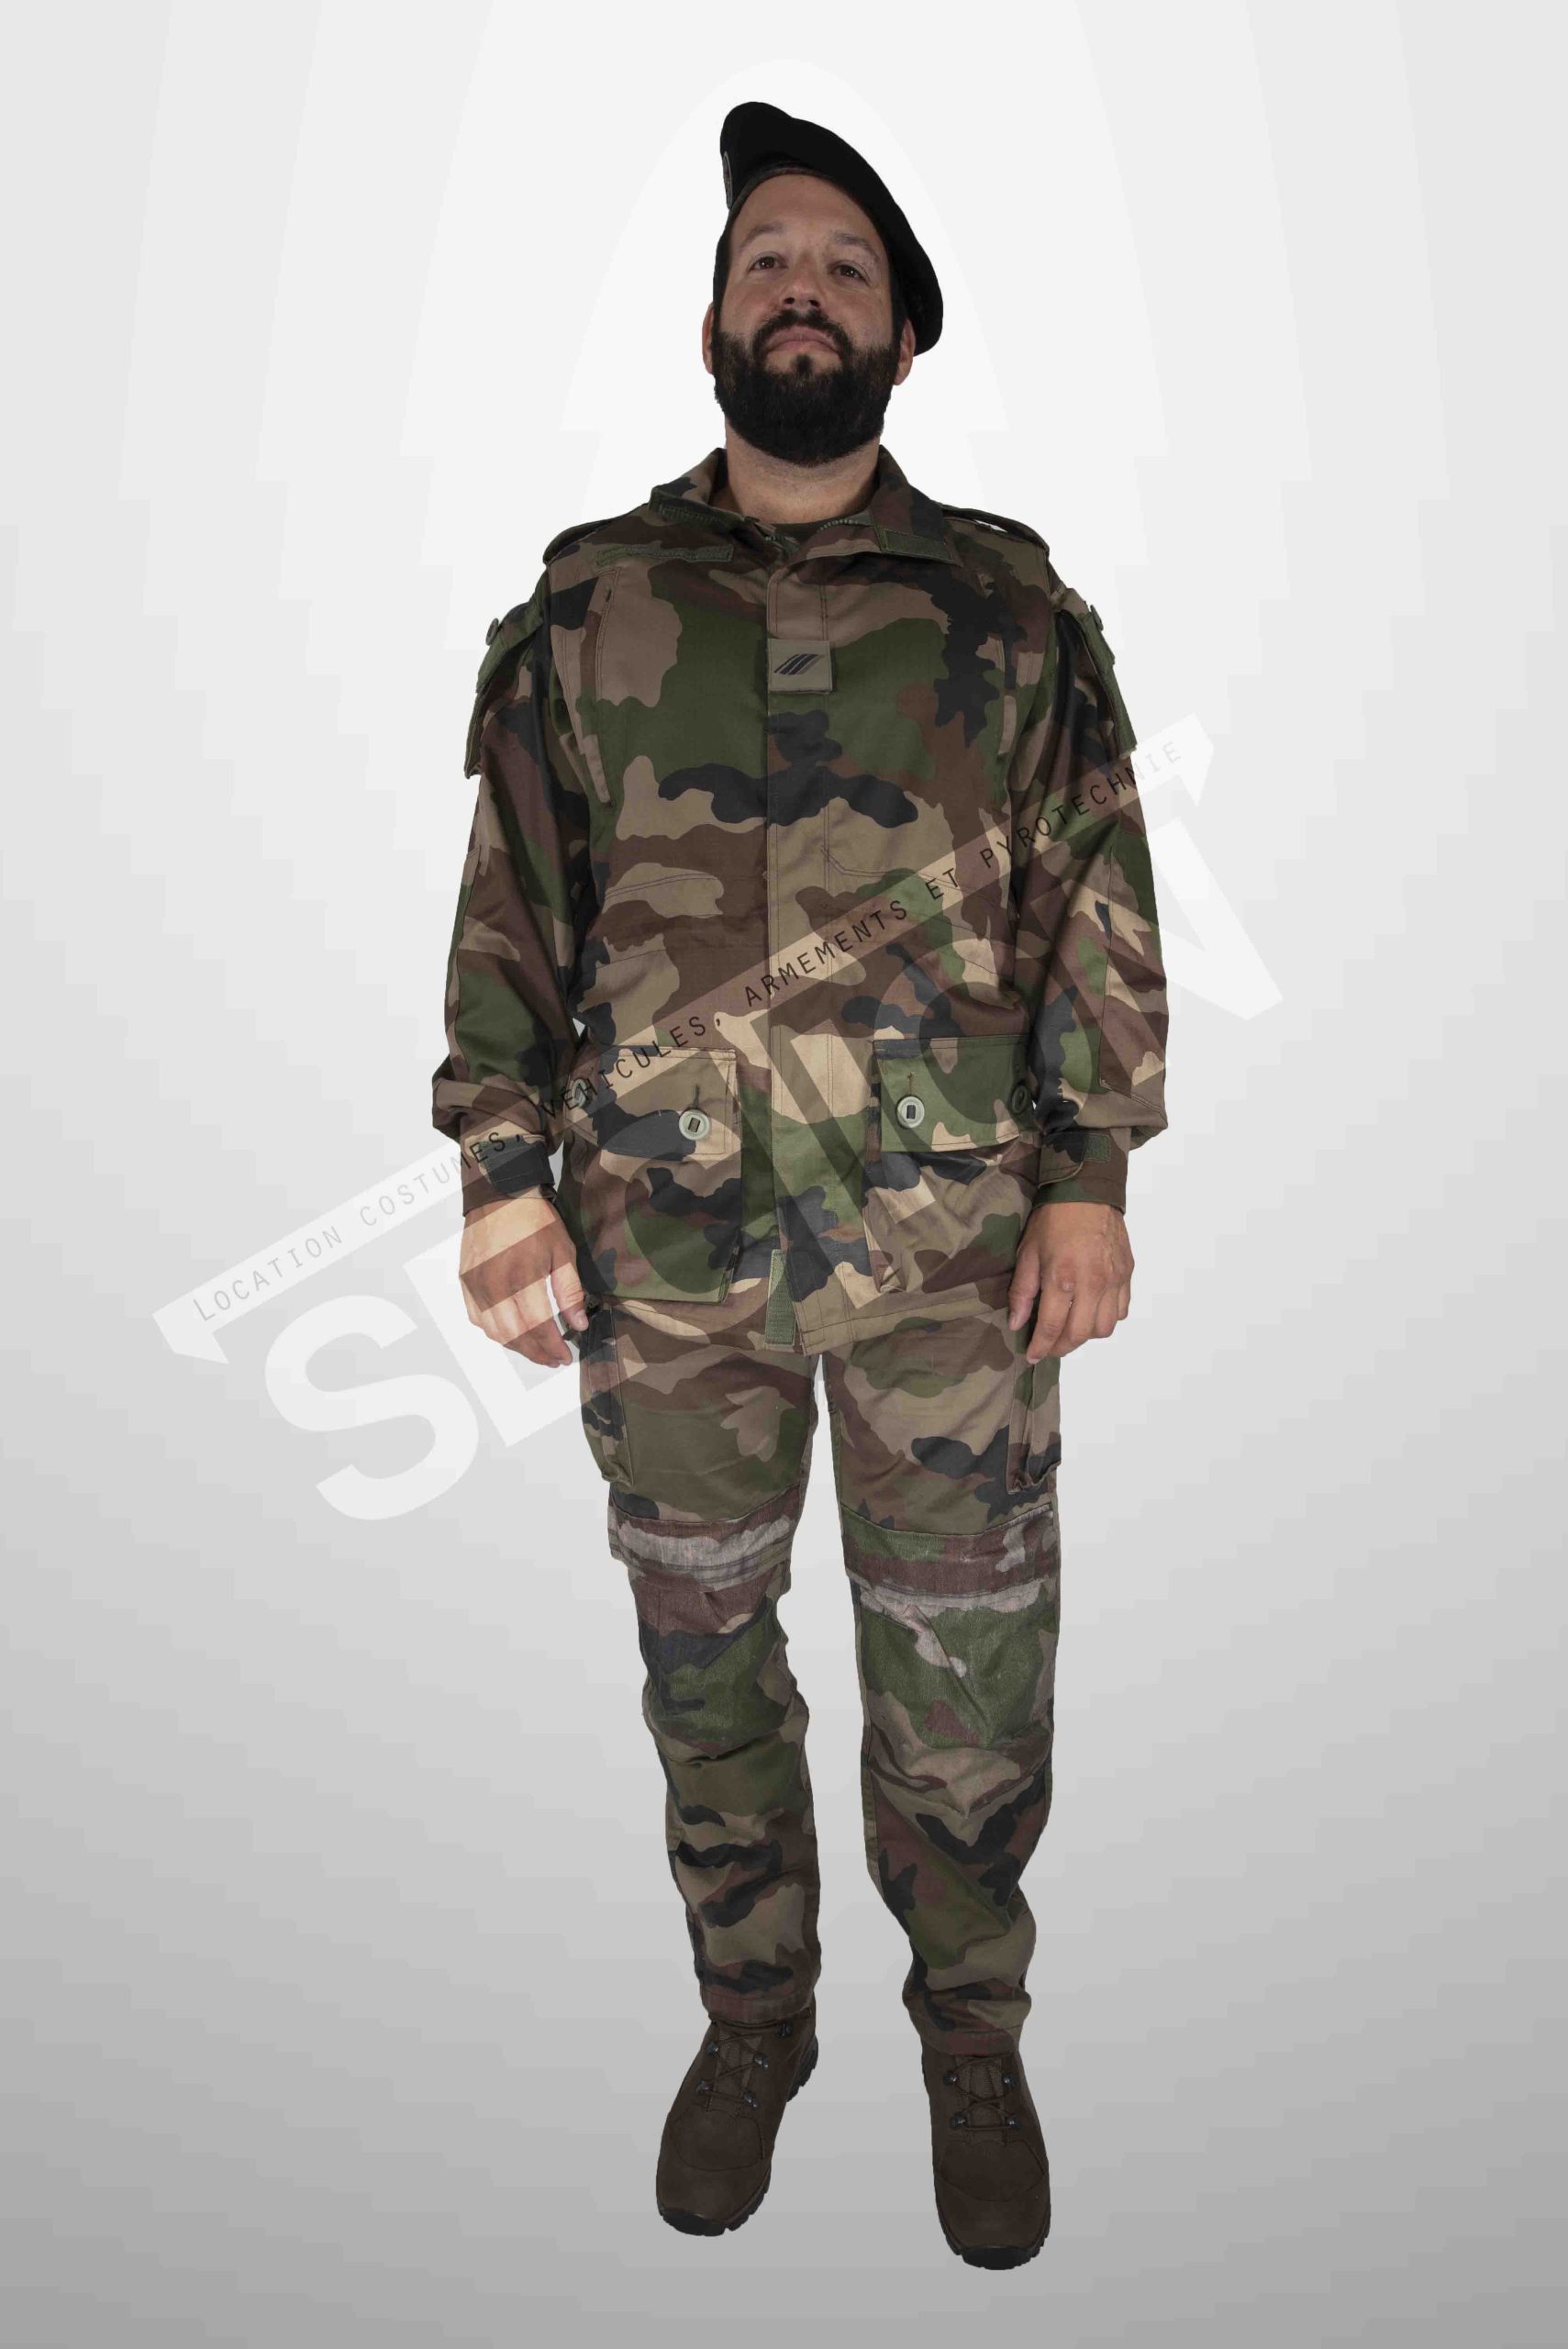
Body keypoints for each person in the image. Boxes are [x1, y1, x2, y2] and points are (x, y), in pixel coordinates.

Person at [430, 98, 1169, 2268]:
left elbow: (1099, 897)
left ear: (903, 337)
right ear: (712, 323)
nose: (805, 291)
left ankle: (971, 2036)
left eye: (848, 267)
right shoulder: (594, 602)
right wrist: (500, 1173)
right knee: (704, 1650)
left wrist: (1091, 1172)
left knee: (967, 1663)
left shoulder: (1006, 608)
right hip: (660, 1253)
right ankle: (755, 2014)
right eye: (770, 258)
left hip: (958, 1251)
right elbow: (511, 910)